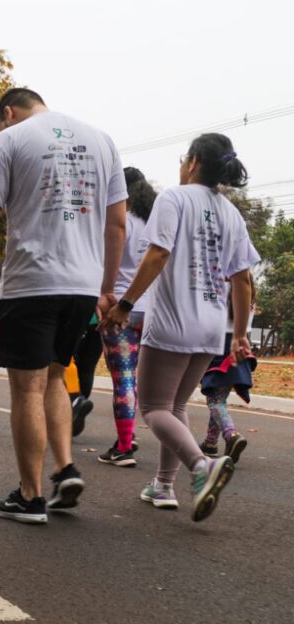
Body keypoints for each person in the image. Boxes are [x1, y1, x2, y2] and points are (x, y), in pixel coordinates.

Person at [0, 88, 127, 524]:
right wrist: (106, 288)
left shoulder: (11, 139)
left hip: (32, 284)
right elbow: (117, 222)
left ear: (8, 113)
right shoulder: (102, 141)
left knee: (27, 387)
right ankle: (64, 469)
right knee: (53, 377)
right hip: (81, 288)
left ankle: (29, 497)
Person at [101, 133, 259, 522]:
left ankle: (201, 466)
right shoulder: (231, 214)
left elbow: (158, 253)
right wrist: (239, 334)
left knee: (154, 406)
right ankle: (163, 485)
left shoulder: (173, 198)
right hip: (211, 327)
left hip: (172, 323)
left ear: (191, 163)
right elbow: (242, 279)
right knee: (175, 406)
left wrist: (126, 303)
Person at [96, 167, 157, 466]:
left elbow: (106, 262)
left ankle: (124, 447)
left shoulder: (122, 225)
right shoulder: (155, 225)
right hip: (152, 312)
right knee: (138, 382)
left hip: (120, 310)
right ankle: (128, 435)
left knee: (123, 380)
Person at [199, 280, 257, 463]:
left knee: (215, 401)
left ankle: (231, 435)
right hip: (240, 350)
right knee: (219, 399)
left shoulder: (220, 296)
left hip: (220, 349)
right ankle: (210, 443)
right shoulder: (249, 301)